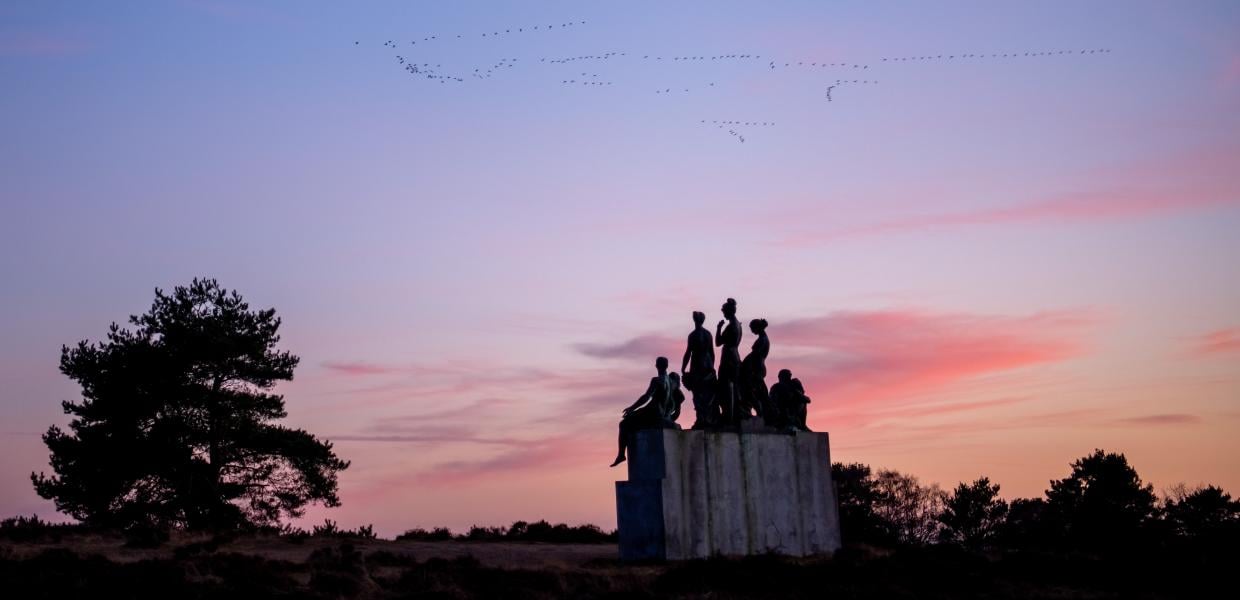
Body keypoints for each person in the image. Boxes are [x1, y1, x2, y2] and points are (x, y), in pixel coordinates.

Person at [611, 357, 673, 467]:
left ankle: (621, 454)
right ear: (667, 366)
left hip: (653, 413)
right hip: (660, 413)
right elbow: (670, 401)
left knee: (624, 424)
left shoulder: (657, 380)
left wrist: (631, 408)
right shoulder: (669, 381)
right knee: (631, 420)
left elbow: (646, 397)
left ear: (656, 366)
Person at [681, 311, 717, 428]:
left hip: (697, 366)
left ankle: (702, 418)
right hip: (707, 365)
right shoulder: (708, 334)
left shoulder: (693, 335)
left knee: (698, 394)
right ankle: (705, 418)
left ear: (695, 320)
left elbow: (688, 353)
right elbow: (712, 353)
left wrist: (683, 368)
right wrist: (711, 366)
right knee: (706, 393)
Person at [715, 298, 743, 424]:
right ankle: (732, 415)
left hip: (728, 358)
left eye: (724, 312)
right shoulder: (738, 324)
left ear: (729, 311)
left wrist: (718, 328)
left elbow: (718, 342)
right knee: (733, 387)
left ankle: (729, 417)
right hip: (735, 356)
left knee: (726, 387)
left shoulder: (731, 326)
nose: (724, 314)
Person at [739, 318, 772, 424]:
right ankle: (759, 412)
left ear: (757, 327)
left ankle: (761, 412)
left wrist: (744, 364)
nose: (752, 331)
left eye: (752, 328)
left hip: (756, 369)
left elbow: (755, 355)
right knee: (754, 391)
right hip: (756, 368)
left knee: (751, 391)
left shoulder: (762, 340)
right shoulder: (762, 338)